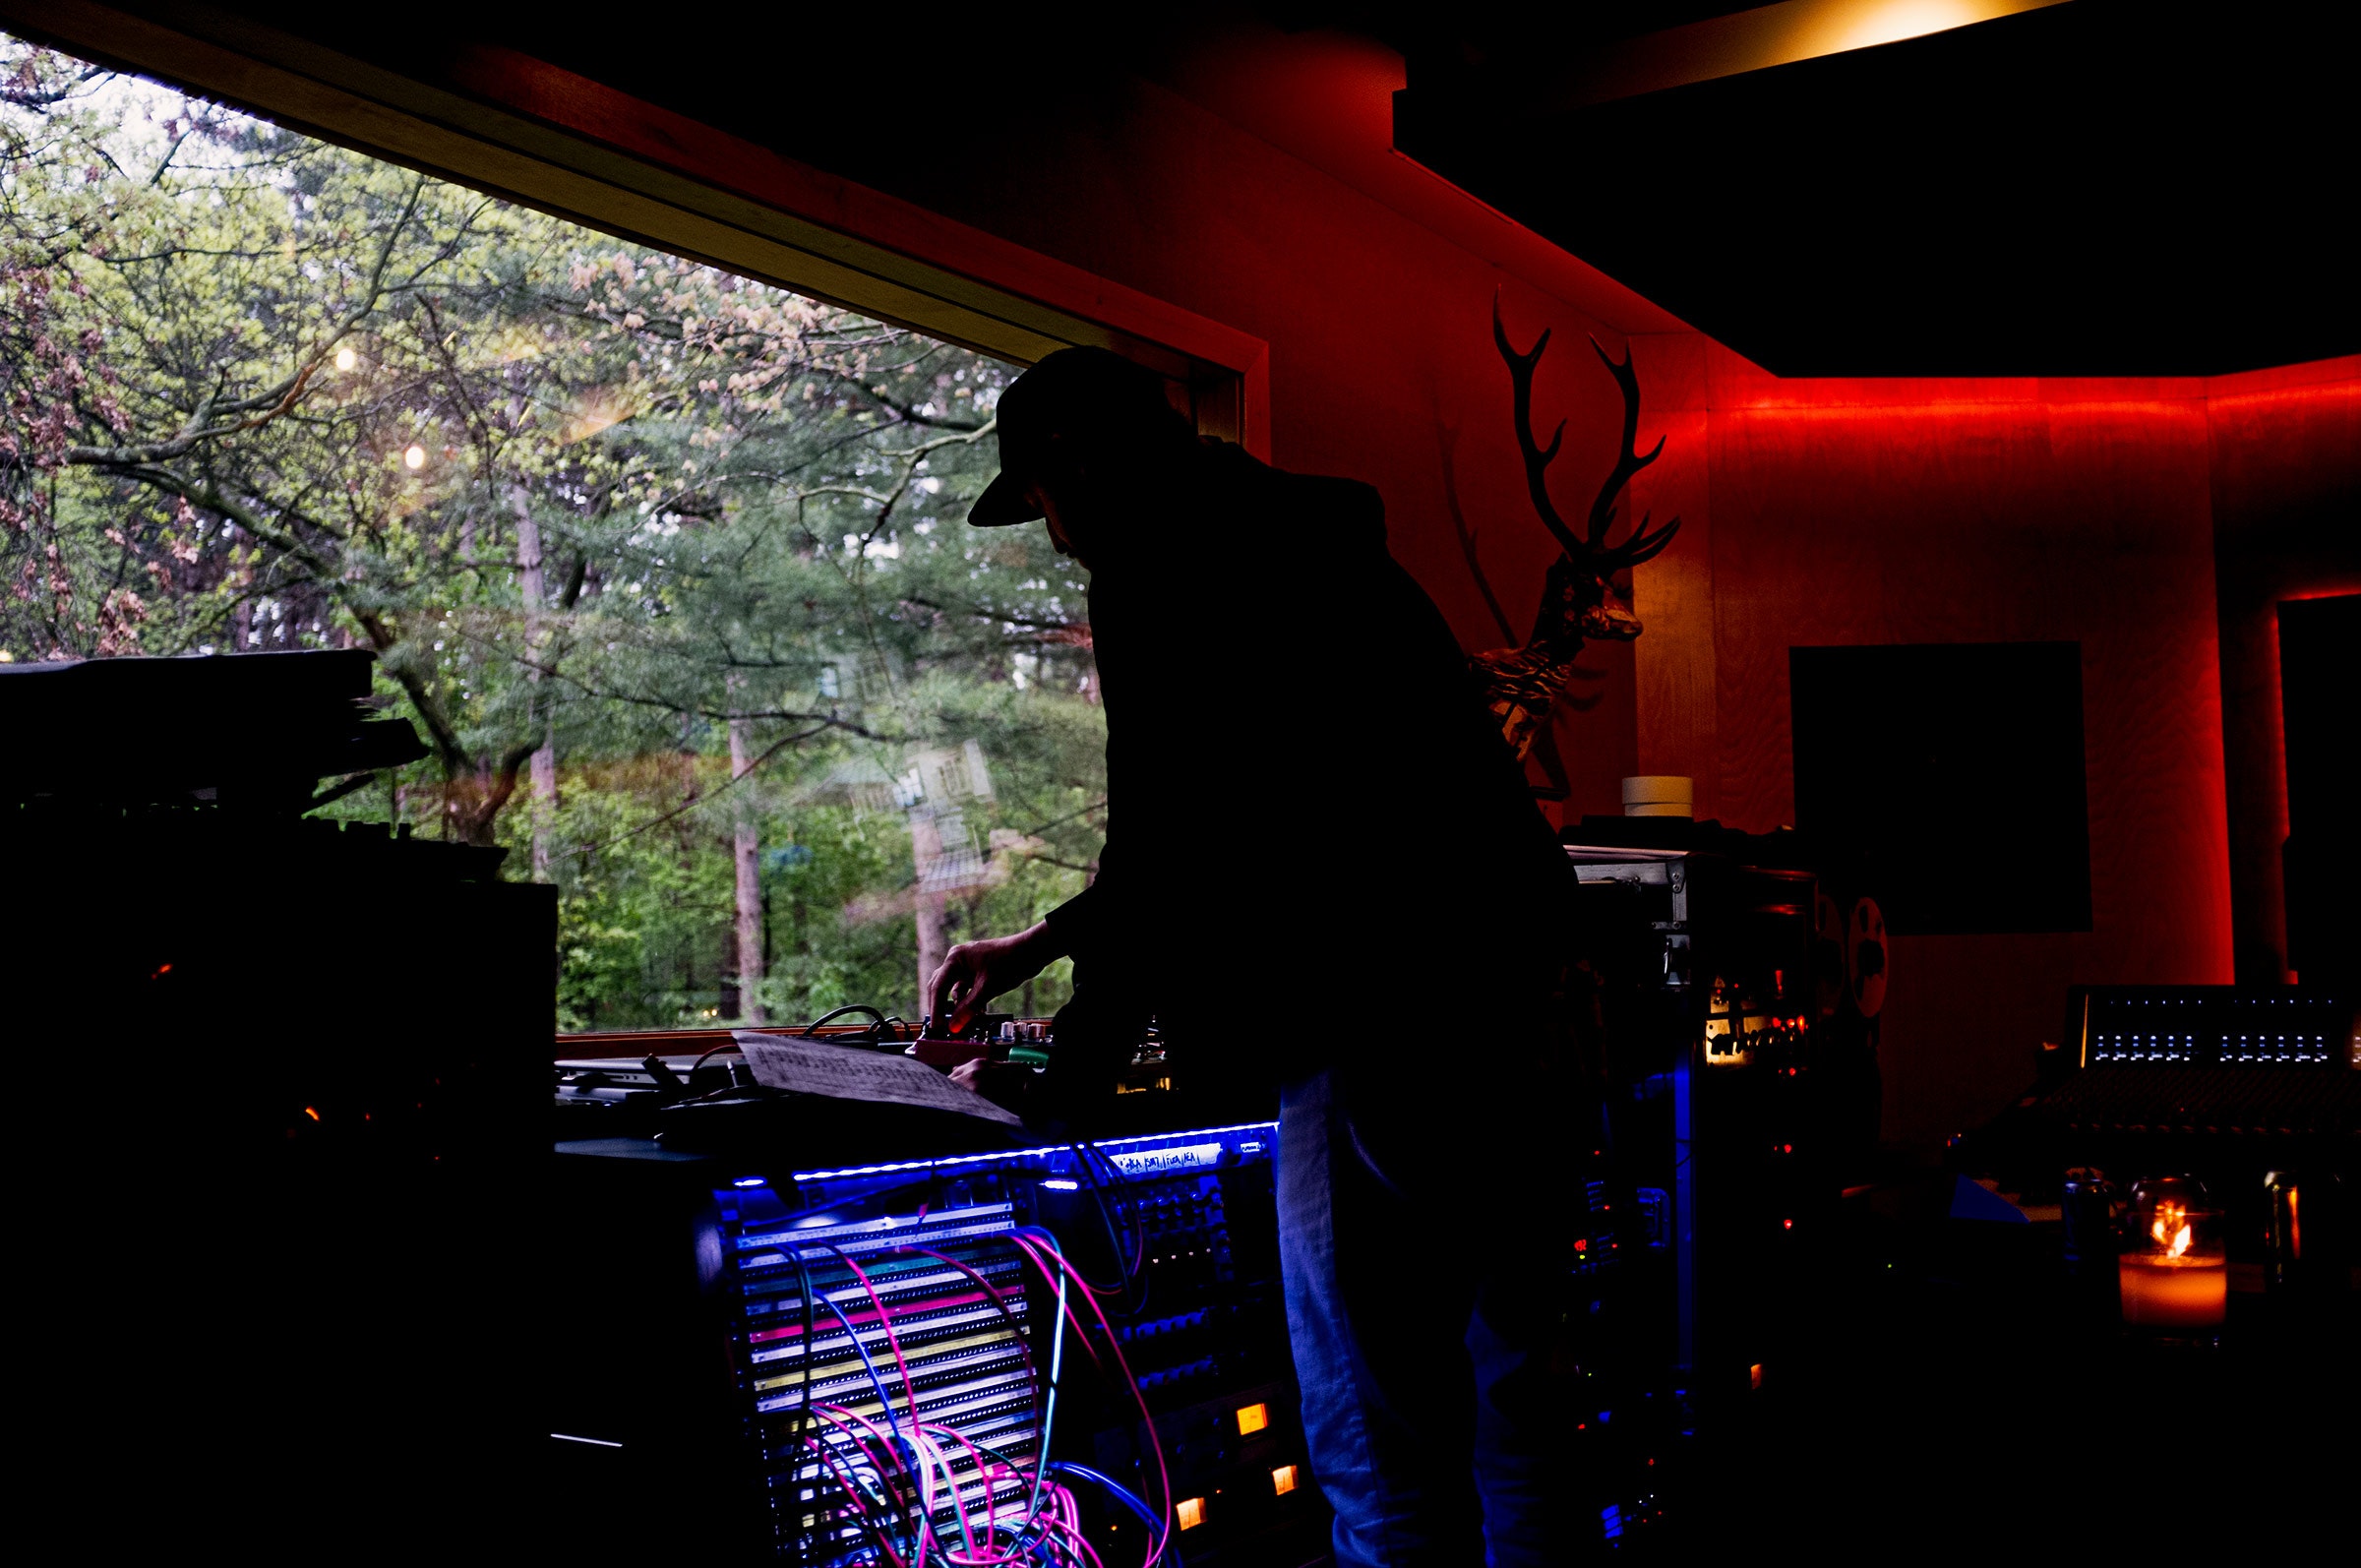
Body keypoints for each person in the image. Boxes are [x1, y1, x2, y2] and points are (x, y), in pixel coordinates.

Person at [932, 347, 1582, 1567]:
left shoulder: (1157, 564)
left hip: (1375, 1017)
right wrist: (1053, 941)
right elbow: (1246, 820)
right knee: (1520, 1414)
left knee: (1383, 1455)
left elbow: (1174, 844)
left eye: (1051, 503)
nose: (1060, 542)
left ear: (1081, 466)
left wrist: (1058, 1094)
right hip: (1522, 998)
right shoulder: (1313, 541)